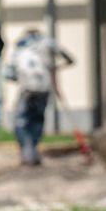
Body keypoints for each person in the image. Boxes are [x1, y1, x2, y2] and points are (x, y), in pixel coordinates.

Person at [8, 27, 75, 166]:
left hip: (26, 89)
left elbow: (9, 74)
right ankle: (31, 151)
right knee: (37, 120)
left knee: (21, 121)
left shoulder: (20, 46)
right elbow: (70, 59)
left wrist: (20, 76)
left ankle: (28, 153)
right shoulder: (47, 43)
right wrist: (56, 67)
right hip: (44, 88)